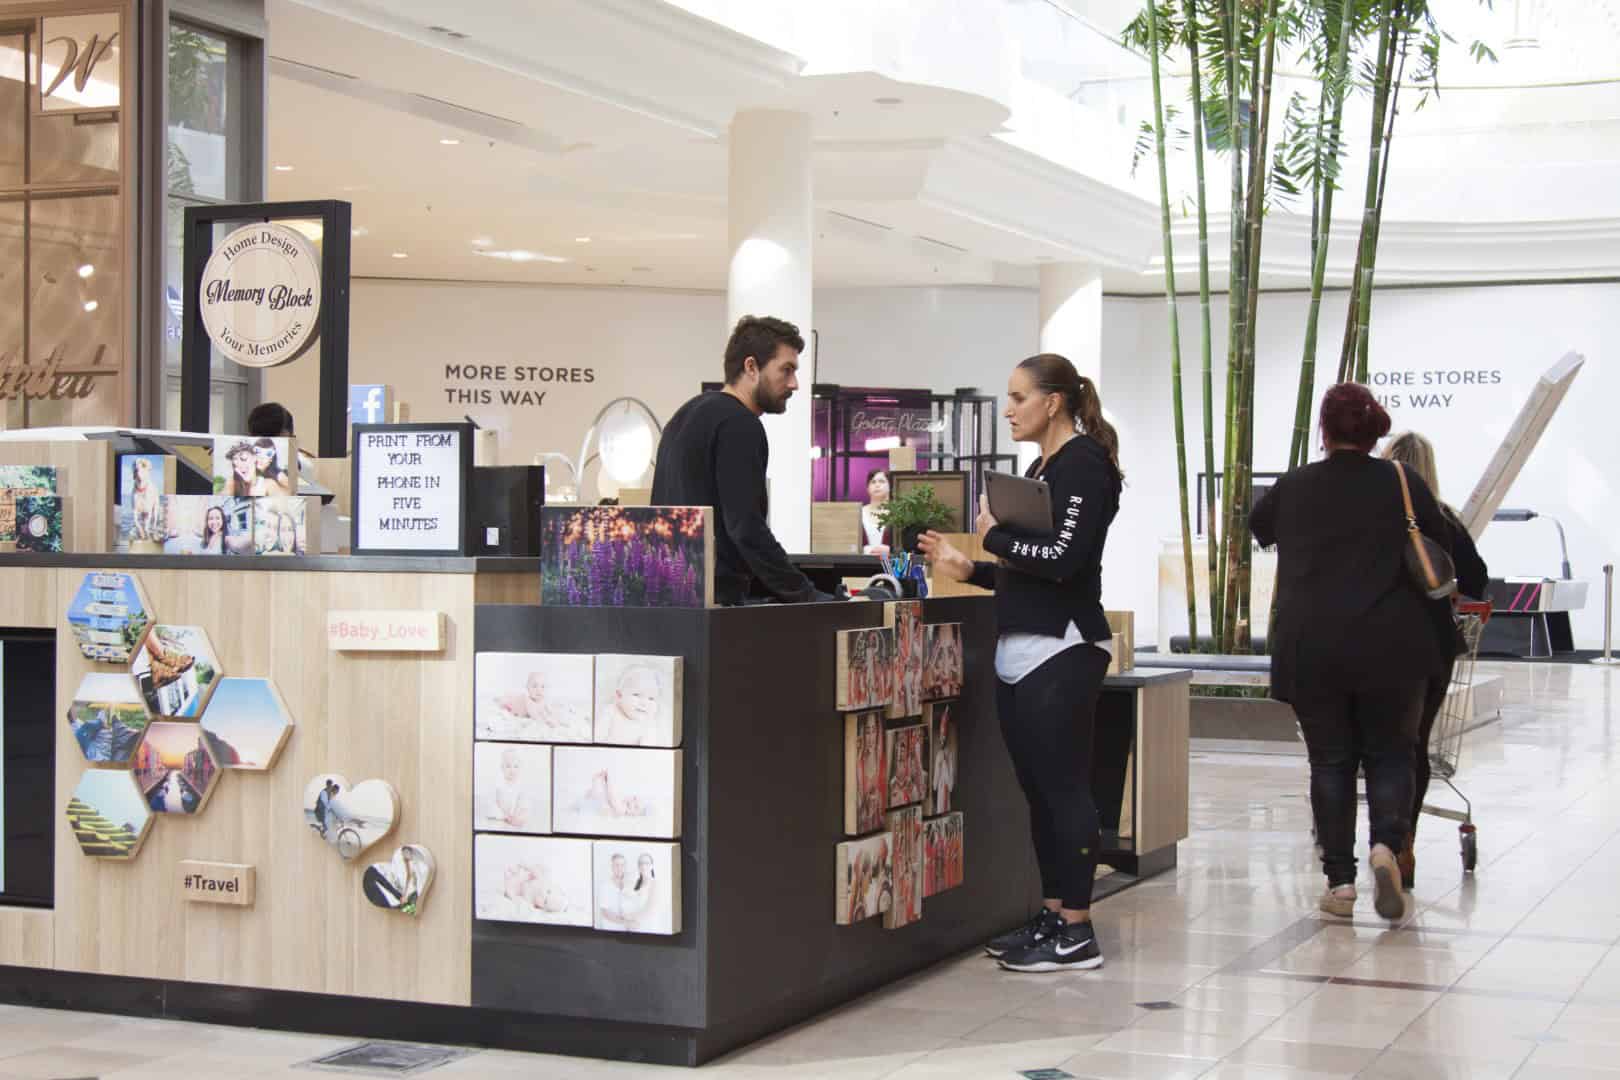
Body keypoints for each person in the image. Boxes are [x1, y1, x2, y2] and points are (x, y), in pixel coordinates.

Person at [920, 353, 1122, 974]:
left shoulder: (1085, 463)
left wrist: (993, 534)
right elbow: (1029, 573)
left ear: (1053, 402)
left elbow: (1062, 559)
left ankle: (1078, 930)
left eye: (1017, 397)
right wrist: (972, 569)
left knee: (1064, 789)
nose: (1007, 409)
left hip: (1063, 648)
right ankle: (1055, 913)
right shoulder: (1042, 467)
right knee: (1039, 791)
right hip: (1025, 644)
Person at [1250, 384, 1461, 923]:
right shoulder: (1401, 481)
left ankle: (1340, 883)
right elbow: (1447, 547)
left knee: (1330, 761)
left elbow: (1259, 528)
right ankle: (1387, 847)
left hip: (1313, 646)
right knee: (1392, 752)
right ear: (1374, 431)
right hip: (1393, 646)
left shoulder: (1295, 486)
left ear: (1323, 429)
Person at [651, 316, 834, 606]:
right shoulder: (740, 424)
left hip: (670, 597)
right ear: (751, 367)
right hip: (717, 606)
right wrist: (806, 594)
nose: (794, 384)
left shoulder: (684, 415)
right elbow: (745, 527)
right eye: (786, 370)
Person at [1382, 431, 1489, 889]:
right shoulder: (1444, 518)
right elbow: (1477, 579)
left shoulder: (1368, 517)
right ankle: (1404, 843)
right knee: (1415, 743)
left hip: (1369, 645)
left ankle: (1365, 847)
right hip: (1429, 647)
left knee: (1371, 746)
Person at [861, 470, 891, 555]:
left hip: (891, 565)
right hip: (860, 564)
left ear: (891, 486)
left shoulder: (898, 514)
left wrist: (891, 550)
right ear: (867, 488)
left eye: (882, 481)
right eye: (873, 482)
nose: (877, 485)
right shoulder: (858, 513)